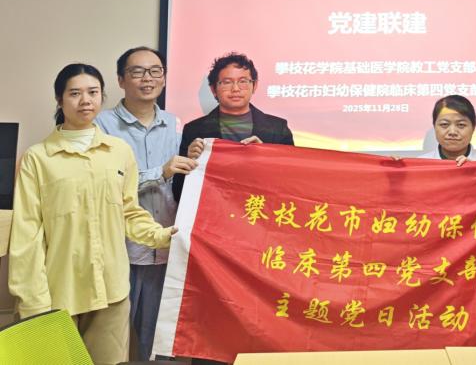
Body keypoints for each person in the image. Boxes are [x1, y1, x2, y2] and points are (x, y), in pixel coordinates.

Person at [9, 63, 176, 365]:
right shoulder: (38, 158)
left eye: (93, 92)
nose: (85, 100)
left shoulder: (118, 151)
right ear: (59, 100)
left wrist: (163, 236)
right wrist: (32, 300)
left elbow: (128, 213)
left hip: (111, 291)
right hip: (57, 293)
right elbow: (26, 235)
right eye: (75, 93)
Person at [95, 47, 196, 361]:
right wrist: (160, 172)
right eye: (137, 72)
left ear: (163, 77)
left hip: (165, 250)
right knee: (109, 344)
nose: (147, 78)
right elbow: (105, 184)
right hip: (119, 250)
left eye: (155, 71)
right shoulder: (101, 125)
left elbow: (183, 183)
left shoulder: (175, 123)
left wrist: (199, 155)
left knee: (161, 345)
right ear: (121, 80)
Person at [173, 52, 294, 201]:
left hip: (261, 209)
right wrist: (189, 161)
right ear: (213, 89)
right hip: (215, 210)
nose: (236, 88)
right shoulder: (194, 130)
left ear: (254, 85)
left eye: (243, 81)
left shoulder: (278, 128)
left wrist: (266, 159)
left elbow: (291, 184)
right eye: (227, 82)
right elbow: (178, 194)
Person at [420, 95, 476, 164]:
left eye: (461, 125)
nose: (452, 132)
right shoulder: (420, 165)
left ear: (473, 127)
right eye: (444, 124)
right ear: (434, 126)